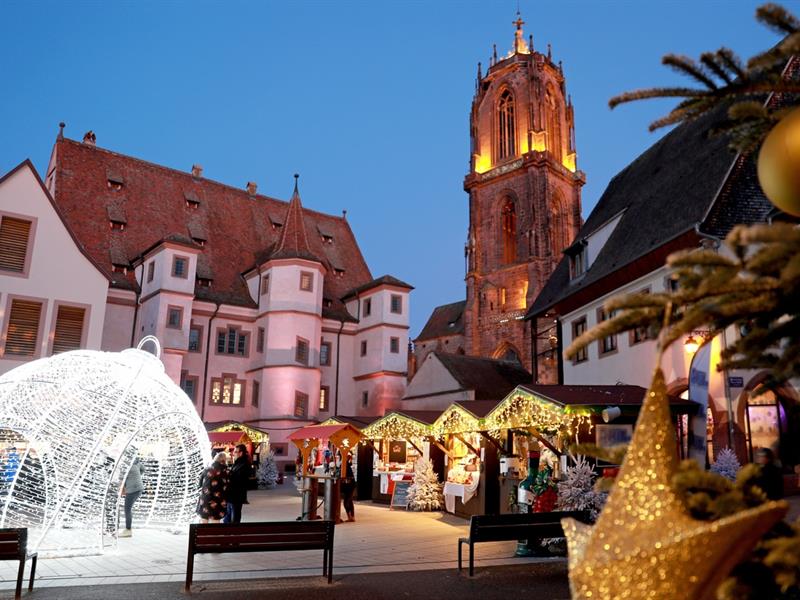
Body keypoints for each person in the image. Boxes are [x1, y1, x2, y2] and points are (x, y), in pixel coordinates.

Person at [196, 451, 228, 523]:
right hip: (218, 501)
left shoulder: (206, 469)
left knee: (203, 520)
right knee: (215, 522)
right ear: (224, 461)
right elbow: (228, 486)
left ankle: (202, 534)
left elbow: (200, 484)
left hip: (205, 499)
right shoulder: (225, 471)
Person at [226, 444, 251, 524]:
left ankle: (234, 533)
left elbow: (241, 480)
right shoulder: (237, 463)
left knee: (235, 517)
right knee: (228, 517)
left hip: (237, 495)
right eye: (234, 452)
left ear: (241, 453)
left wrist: (229, 476)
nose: (234, 453)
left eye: (236, 452)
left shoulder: (244, 464)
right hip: (231, 495)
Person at [119, 458, 145, 537]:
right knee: (128, 509)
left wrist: (122, 488)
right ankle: (128, 529)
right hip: (139, 487)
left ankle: (128, 530)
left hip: (132, 489)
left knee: (127, 509)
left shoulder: (125, 464)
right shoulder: (136, 461)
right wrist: (137, 477)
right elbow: (143, 469)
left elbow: (121, 478)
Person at [340, 453, 356, 522]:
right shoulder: (346, 465)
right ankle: (351, 517)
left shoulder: (345, 465)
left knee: (346, 501)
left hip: (348, 485)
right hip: (350, 485)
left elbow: (344, 475)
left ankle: (350, 517)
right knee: (349, 501)